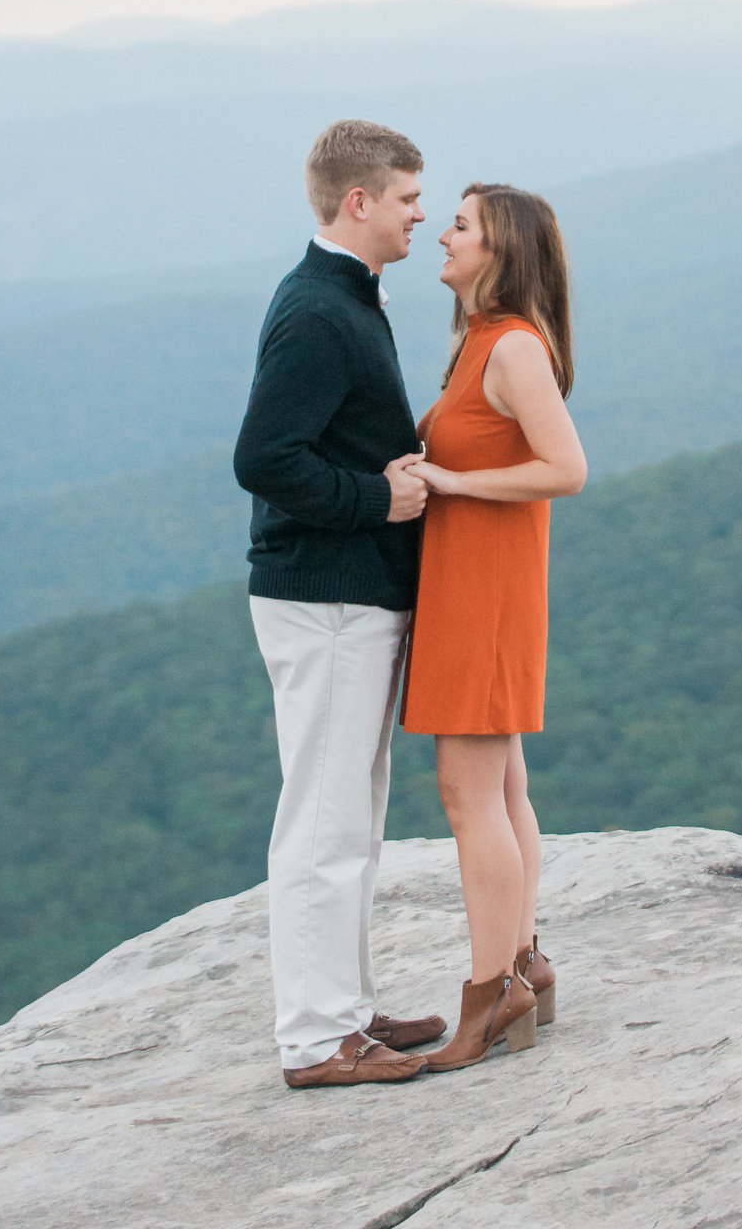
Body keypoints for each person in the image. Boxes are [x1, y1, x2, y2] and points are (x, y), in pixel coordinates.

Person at [233, 119, 446, 1089]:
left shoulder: (345, 296)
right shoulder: (319, 311)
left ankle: (348, 1010)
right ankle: (317, 1039)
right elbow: (264, 458)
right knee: (323, 817)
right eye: (406, 198)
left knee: (350, 812)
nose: (419, 214)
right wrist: (381, 497)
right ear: (357, 201)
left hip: (349, 595)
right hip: (324, 599)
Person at [402, 183, 587, 1072]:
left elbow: (568, 467)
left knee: (467, 794)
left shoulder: (511, 347)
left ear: (500, 250)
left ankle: (490, 995)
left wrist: (456, 484)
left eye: (462, 225)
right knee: (504, 790)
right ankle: (524, 966)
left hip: (484, 591)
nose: (443, 233)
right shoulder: (478, 340)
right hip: (479, 586)